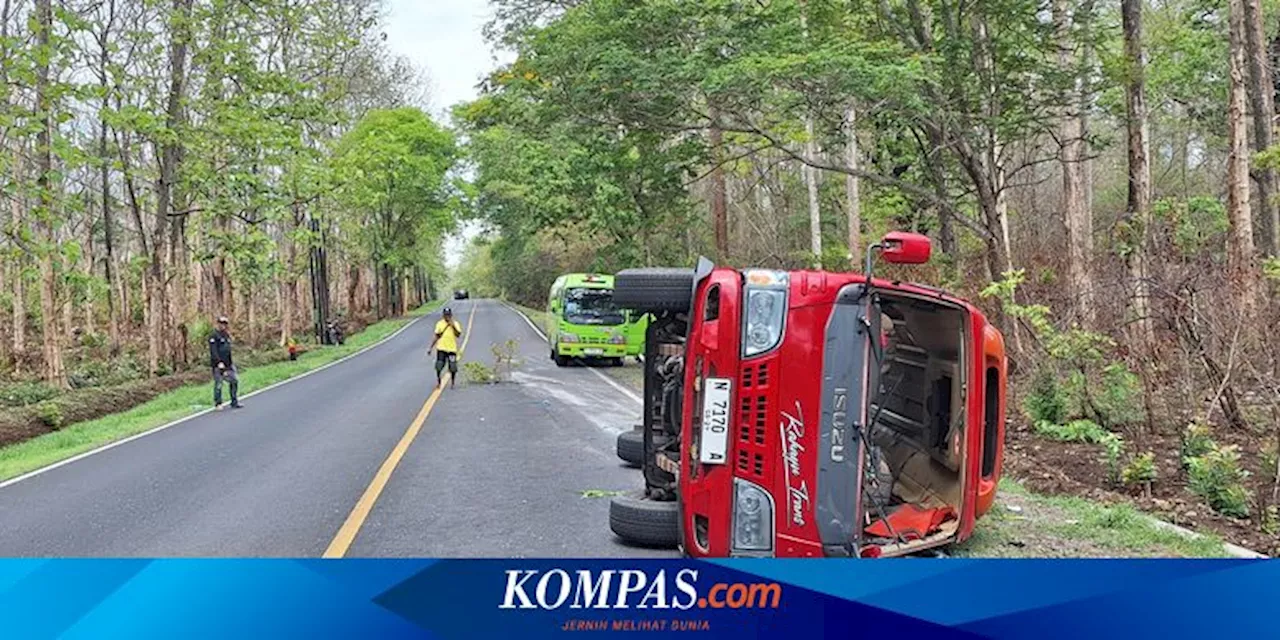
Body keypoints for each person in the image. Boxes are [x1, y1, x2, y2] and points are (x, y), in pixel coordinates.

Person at [209, 316, 243, 410]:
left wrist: (230, 362)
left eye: (224, 324)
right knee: (219, 384)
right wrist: (218, 362)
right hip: (218, 364)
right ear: (218, 324)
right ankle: (218, 403)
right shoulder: (214, 336)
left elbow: (228, 350)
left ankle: (234, 401)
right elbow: (213, 351)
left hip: (228, 364)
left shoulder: (226, 335)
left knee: (234, 380)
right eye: (221, 323)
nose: (223, 325)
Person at [428, 307, 464, 388]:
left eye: (448, 315)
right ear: (443, 315)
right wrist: (430, 348)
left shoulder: (456, 323)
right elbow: (436, 336)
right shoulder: (439, 324)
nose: (447, 316)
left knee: (453, 367)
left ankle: (453, 382)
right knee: (439, 366)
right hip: (441, 348)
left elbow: (458, 335)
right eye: (445, 315)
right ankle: (439, 380)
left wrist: (453, 326)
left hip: (452, 349)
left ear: (451, 315)